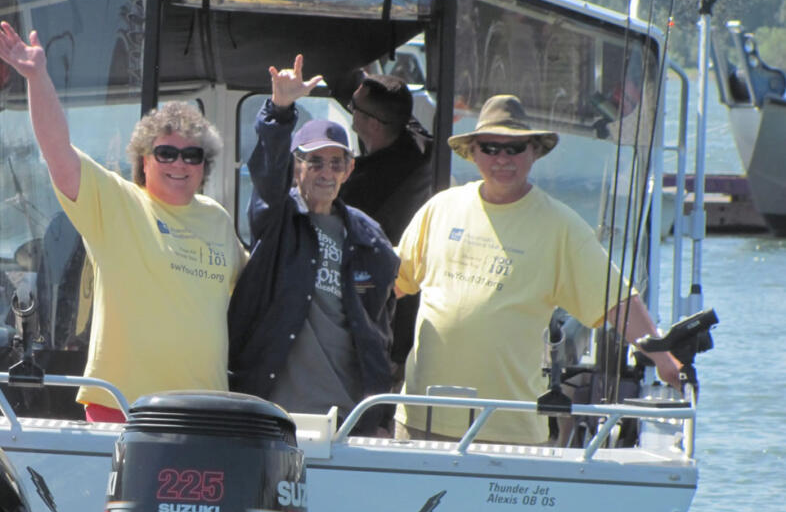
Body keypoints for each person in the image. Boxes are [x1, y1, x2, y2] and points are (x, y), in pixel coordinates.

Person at [0, 21, 246, 422]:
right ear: (144, 160)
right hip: (122, 406)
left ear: (204, 165)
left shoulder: (217, 219)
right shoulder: (115, 202)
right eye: (166, 153)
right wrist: (37, 77)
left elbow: (257, 290)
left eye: (192, 155)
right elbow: (57, 150)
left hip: (205, 410)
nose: (179, 163)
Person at [393, 94, 683, 445]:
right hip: (420, 417)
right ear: (473, 152)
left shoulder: (561, 226)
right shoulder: (440, 208)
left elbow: (616, 300)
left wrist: (665, 359)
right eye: (490, 147)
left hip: (507, 430)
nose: (502, 158)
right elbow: (390, 282)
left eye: (514, 148)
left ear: (534, 152)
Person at [229, 54, 400, 431]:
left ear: (349, 169)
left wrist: (382, 416)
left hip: (347, 422)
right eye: (315, 161)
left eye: (336, 162)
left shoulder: (370, 238)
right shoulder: (276, 218)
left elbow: (380, 332)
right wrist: (280, 109)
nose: (326, 172)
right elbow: (267, 171)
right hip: (271, 417)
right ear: (296, 166)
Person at [338, 74, 436, 379]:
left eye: (353, 106)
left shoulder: (365, 184)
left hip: (391, 310)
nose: (349, 109)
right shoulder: (419, 142)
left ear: (373, 125)